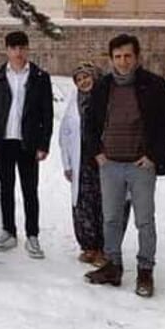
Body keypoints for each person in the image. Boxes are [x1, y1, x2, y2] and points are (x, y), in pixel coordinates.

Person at [85, 34, 165, 298]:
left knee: (144, 220)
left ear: (137, 57)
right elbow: (90, 124)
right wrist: (97, 154)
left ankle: (145, 270)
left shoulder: (154, 85)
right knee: (111, 218)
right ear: (111, 59)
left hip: (141, 166)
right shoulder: (103, 87)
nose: (123, 62)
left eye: (127, 56)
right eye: (117, 57)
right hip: (110, 164)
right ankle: (112, 265)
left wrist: (153, 155)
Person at [0, 31, 53, 260]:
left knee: (29, 189)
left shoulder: (40, 77)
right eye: (13, 48)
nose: (18, 52)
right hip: (4, 141)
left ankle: (32, 234)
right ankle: (8, 231)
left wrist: (43, 144)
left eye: (22, 47)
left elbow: (47, 114)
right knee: (6, 188)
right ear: (7, 50)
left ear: (28, 49)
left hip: (28, 142)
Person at [58, 62, 108, 267]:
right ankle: (89, 246)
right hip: (82, 163)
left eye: (86, 77)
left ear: (94, 76)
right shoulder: (74, 103)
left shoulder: (106, 98)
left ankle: (104, 249)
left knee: (104, 205)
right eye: (78, 79)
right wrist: (67, 164)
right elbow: (65, 134)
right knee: (83, 206)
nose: (83, 82)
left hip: (104, 161)